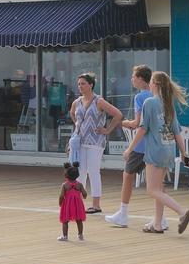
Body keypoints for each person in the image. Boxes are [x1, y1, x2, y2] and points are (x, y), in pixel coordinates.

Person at [128, 70, 189, 235]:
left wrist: (130, 148)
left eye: (150, 82)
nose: (148, 84)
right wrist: (184, 153)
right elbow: (177, 131)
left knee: (152, 189)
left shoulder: (149, 103)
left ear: (155, 84)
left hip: (156, 150)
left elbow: (142, 129)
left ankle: (182, 212)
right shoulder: (168, 104)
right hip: (169, 148)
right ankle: (157, 224)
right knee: (159, 188)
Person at [106, 65, 152, 229]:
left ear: (141, 78)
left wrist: (123, 122)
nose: (132, 79)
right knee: (156, 183)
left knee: (127, 176)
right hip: (154, 144)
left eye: (134, 77)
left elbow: (137, 123)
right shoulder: (156, 95)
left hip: (140, 145)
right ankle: (162, 218)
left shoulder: (140, 97)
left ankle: (123, 214)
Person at [70, 72, 122, 214]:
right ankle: (77, 202)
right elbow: (72, 113)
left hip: (95, 142)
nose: (80, 86)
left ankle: (96, 204)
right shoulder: (77, 102)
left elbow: (118, 114)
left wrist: (108, 130)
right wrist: (78, 126)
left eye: (83, 83)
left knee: (93, 171)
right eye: (79, 84)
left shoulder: (99, 101)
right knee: (80, 172)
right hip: (80, 141)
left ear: (91, 85)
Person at [58, 162, 87, 241]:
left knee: (65, 220)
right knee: (79, 219)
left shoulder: (65, 185)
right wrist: (84, 196)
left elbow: (61, 196)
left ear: (66, 174)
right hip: (78, 204)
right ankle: (80, 234)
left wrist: (60, 203)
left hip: (67, 204)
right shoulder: (79, 185)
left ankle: (65, 236)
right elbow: (85, 194)